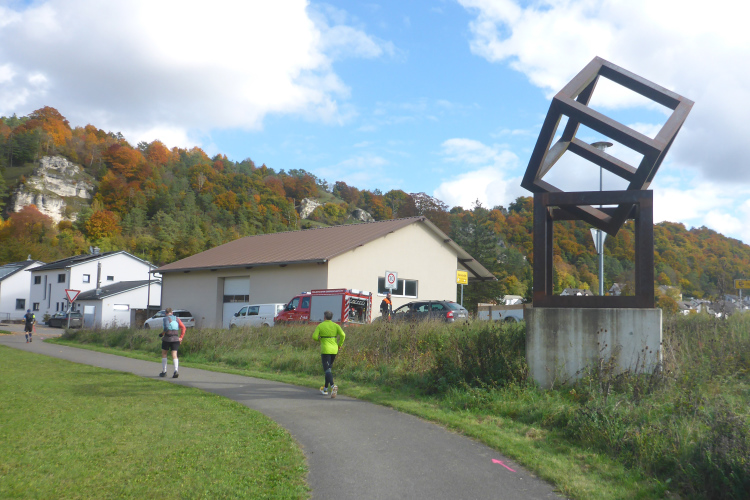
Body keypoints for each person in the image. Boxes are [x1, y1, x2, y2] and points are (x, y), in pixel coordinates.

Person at [312, 310, 345, 398]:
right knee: (328, 369)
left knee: (327, 370)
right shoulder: (336, 325)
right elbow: (343, 335)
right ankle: (325, 389)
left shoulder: (320, 325)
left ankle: (333, 386)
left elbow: (314, 337)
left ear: (324, 317)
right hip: (334, 349)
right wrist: (339, 344)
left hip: (326, 349)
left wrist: (319, 340)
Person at [159, 308, 186, 378]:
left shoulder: (165, 318)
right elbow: (183, 328)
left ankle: (164, 371)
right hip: (176, 339)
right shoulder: (177, 319)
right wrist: (181, 337)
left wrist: (162, 333)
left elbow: (166, 327)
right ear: (172, 313)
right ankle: (176, 370)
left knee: (164, 353)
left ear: (165, 313)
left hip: (167, 339)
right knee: (174, 355)